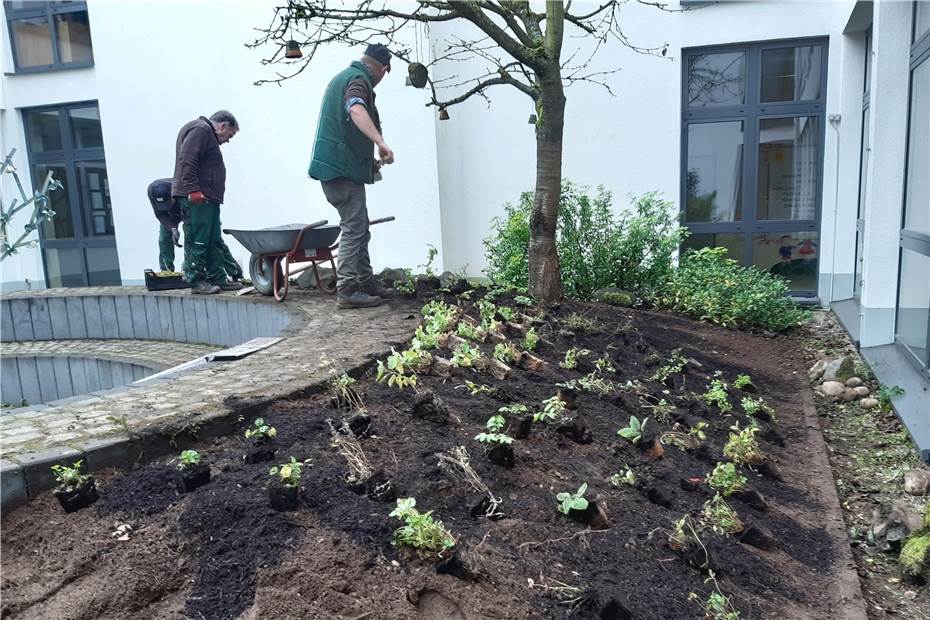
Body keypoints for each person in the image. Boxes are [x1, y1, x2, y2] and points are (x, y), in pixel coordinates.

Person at [309, 43, 395, 309]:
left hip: (339, 168)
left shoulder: (347, 77)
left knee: (360, 227)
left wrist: (367, 160)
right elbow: (356, 108)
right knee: (354, 228)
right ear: (384, 69)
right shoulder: (358, 81)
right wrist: (380, 142)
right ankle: (347, 289)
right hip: (340, 171)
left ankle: (365, 282)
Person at [172, 110, 241, 294]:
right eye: (230, 135)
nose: (228, 140)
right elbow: (187, 160)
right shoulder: (201, 130)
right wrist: (193, 189)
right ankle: (196, 280)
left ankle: (217, 277)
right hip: (198, 197)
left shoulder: (204, 132)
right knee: (199, 237)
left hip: (208, 197)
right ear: (223, 125)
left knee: (213, 238)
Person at [147, 178, 182, 272]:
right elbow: (159, 214)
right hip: (168, 215)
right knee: (164, 239)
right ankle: (167, 270)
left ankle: (191, 270)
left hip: (188, 210)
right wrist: (173, 228)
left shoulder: (182, 188)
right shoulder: (151, 191)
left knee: (192, 238)